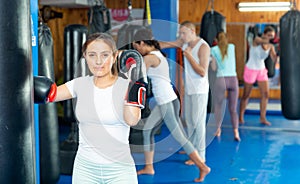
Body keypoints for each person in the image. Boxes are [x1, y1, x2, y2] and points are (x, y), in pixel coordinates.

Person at [50, 33, 146, 183]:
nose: (98, 61)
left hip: (119, 170)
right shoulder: (79, 84)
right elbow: (50, 95)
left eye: (105, 55)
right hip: (85, 169)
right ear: (85, 57)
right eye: (92, 55)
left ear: (114, 57)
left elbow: (132, 120)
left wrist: (134, 84)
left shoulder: (124, 86)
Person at [132, 28, 210, 182]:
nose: (137, 50)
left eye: (136, 47)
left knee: (180, 137)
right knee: (147, 130)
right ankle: (149, 167)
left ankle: (202, 166)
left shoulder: (150, 58)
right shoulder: (157, 52)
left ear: (141, 43)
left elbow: (135, 75)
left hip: (166, 101)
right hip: (165, 101)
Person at [159, 21, 210, 165]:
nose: (181, 36)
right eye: (180, 33)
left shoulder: (203, 47)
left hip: (200, 90)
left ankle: (201, 156)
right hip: (189, 88)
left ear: (192, 32)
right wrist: (149, 43)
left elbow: (202, 72)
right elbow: (166, 44)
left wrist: (188, 56)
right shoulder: (184, 43)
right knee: (189, 119)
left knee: (198, 123)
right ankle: (191, 149)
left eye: (184, 33)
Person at [239, 26, 277, 126]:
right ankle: (240, 116)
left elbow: (274, 58)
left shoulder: (271, 46)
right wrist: (268, 41)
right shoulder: (256, 40)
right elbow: (261, 41)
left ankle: (262, 118)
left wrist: (278, 55)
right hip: (250, 69)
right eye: (269, 35)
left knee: (265, 94)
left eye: (272, 36)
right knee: (246, 95)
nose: (270, 38)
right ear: (264, 34)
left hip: (261, 70)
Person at [210, 31, 240, 141]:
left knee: (218, 107)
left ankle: (218, 129)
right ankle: (236, 133)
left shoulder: (213, 50)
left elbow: (213, 68)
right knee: (233, 109)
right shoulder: (232, 47)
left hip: (221, 79)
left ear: (216, 40)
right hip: (233, 79)